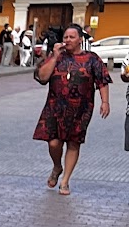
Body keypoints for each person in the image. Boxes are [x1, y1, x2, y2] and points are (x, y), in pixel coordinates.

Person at [33, 22, 111, 196]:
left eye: (72, 37)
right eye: (65, 37)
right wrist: (54, 56)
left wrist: (105, 102)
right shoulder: (57, 56)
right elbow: (42, 77)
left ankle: (65, 181)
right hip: (55, 107)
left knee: (74, 143)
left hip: (81, 109)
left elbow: (102, 81)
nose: (68, 40)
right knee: (54, 143)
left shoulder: (92, 58)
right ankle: (57, 166)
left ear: (80, 39)